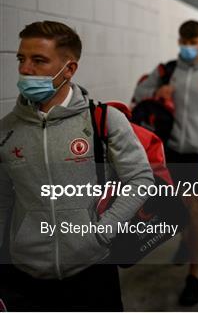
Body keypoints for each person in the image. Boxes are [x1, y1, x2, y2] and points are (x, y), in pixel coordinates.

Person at [0, 21, 154, 311]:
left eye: (39, 60)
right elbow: (3, 199)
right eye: (22, 59)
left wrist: (102, 232)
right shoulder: (6, 131)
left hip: (92, 270)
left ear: (69, 69)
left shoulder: (103, 121)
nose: (26, 69)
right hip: (24, 275)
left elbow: (140, 179)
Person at [132, 20, 198, 306]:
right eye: (183, 42)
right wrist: (157, 93)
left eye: (193, 42)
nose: (188, 48)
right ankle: (185, 242)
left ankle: (194, 275)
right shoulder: (168, 70)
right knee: (180, 207)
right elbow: (139, 95)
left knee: (195, 208)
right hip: (171, 151)